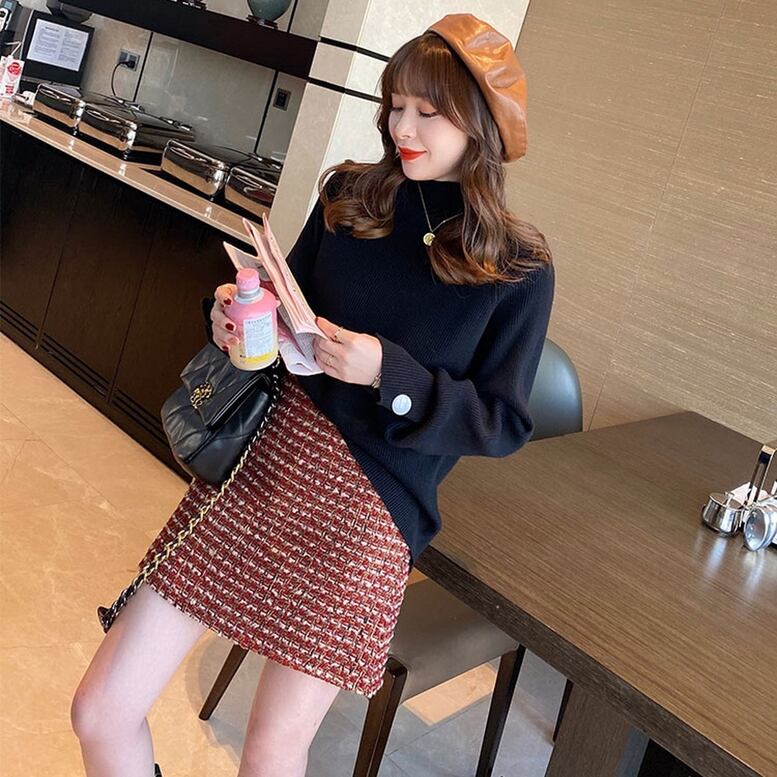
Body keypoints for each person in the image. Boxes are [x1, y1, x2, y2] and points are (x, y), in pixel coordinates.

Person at [70, 13, 554, 777]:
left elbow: (500, 422)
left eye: (427, 112)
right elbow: (276, 301)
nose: (401, 127)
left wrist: (387, 373)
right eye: (395, 105)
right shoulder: (351, 197)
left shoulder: (515, 267)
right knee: (99, 709)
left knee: (270, 752)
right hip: (263, 464)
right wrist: (234, 317)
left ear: (482, 125)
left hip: (368, 514)